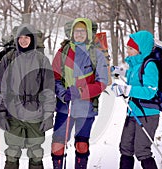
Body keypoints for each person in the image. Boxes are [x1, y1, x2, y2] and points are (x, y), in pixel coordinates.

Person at [0, 23, 56, 169]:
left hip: (36, 114)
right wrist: (2, 113)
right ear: (16, 40)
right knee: (12, 152)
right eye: (20, 38)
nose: (23, 40)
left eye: (26, 37)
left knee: (36, 152)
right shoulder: (8, 59)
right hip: (12, 114)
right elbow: (1, 89)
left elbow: (48, 90)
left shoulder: (41, 60)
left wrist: (48, 115)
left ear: (32, 39)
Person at [51, 18, 108, 169]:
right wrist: (63, 93)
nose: (80, 34)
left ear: (88, 33)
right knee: (57, 144)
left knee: (81, 144)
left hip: (86, 107)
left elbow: (102, 82)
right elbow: (54, 77)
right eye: (77, 31)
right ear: (71, 33)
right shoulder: (62, 52)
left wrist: (81, 92)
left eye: (83, 31)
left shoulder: (97, 54)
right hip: (65, 106)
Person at [111, 30, 159, 169]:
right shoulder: (136, 65)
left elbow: (150, 91)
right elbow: (134, 76)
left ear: (140, 49)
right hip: (132, 112)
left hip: (147, 115)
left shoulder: (150, 65)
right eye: (128, 47)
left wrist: (126, 90)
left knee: (142, 151)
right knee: (125, 147)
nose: (128, 51)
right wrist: (120, 71)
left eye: (131, 48)